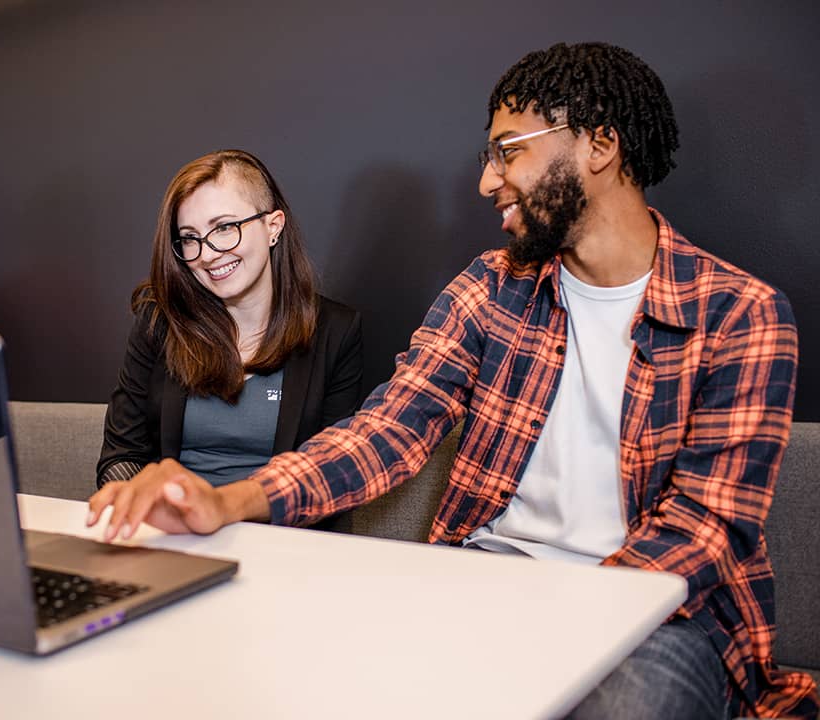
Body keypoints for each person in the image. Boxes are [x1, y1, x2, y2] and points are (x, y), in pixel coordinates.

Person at [88, 45, 818, 719]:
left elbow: (704, 527)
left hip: (658, 616)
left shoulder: (740, 314)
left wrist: (556, 620)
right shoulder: (488, 291)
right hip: (483, 585)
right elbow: (387, 430)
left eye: (508, 153)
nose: (485, 181)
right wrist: (227, 501)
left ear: (600, 145)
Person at [94, 149, 364, 532]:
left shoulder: (335, 331)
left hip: (282, 545)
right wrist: (141, 507)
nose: (207, 254)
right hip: (174, 538)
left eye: (224, 228)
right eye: (190, 238)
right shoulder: (159, 320)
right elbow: (121, 456)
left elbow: (330, 479)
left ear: (273, 226)